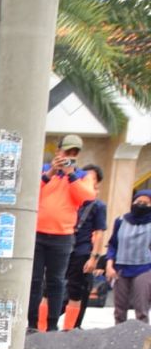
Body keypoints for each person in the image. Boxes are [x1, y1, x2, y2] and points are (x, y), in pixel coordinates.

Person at [29, 134, 96, 332]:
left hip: (63, 237)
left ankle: (51, 325)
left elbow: (87, 196)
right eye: (67, 152)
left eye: (74, 153)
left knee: (56, 281)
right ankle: (32, 323)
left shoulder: (83, 177)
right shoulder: (44, 172)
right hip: (38, 234)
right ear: (58, 152)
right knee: (34, 280)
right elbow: (32, 193)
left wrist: (71, 174)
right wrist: (50, 172)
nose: (70, 156)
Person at [62, 164, 107, 330]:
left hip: (83, 252)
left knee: (78, 289)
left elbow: (100, 232)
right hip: (65, 248)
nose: (87, 180)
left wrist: (94, 257)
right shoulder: (72, 200)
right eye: (85, 177)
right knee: (54, 287)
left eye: (92, 178)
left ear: (97, 183)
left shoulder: (98, 206)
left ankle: (72, 327)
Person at [105, 190, 151, 324]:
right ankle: (119, 338)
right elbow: (113, 245)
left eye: (146, 203)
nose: (141, 205)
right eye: (138, 202)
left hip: (144, 267)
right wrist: (109, 266)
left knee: (141, 307)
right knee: (119, 309)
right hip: (121, 269)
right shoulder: (120, 221)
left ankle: (142, 340)